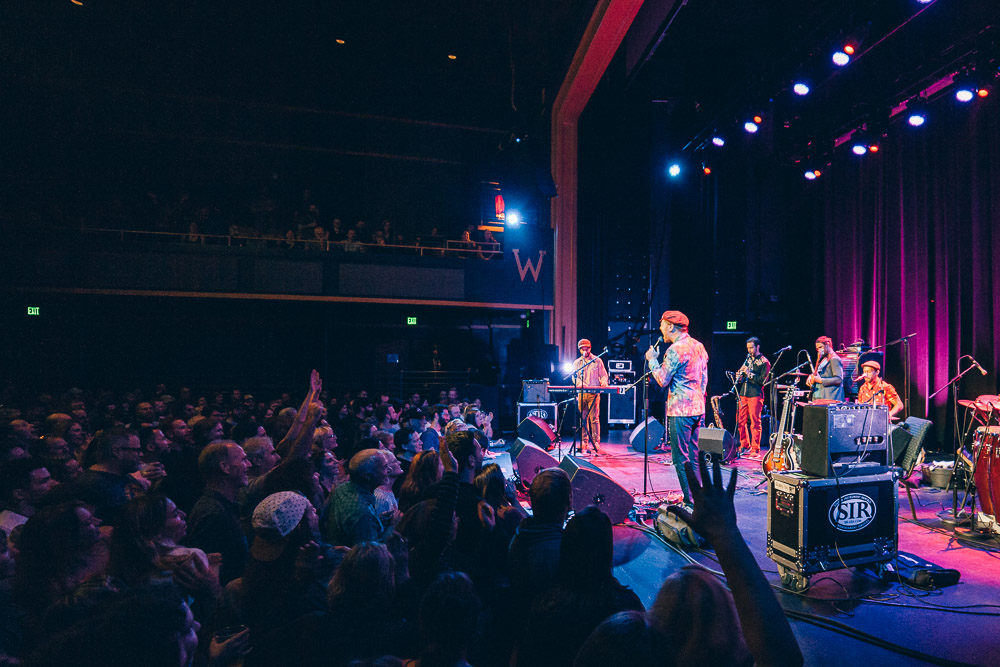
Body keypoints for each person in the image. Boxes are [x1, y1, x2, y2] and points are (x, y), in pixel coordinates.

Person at [645, 310, 708, 507]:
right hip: (698, 407)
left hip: (680, 411)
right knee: (695, 456)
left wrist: (652, 360)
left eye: (662, 324)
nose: (660, 328)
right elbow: (704, 379)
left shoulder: (674, 350)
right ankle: (699, 497)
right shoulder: (699, 346)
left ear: (671, 326)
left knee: (680, 458)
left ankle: (690, 502)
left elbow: (662, 380)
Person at [736, 336, 771, 459]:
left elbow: (763, 380)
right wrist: (739, 376)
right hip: (743, 393)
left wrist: (749, 374)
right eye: (748, 348)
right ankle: (744, 445)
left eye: (751, 348)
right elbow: (742, 374)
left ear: (758, 347)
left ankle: (755, 448)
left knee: (755, 422)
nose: (749, 350)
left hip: (755, 394)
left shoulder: (764, 362)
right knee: (740, 421)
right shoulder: (747, 359)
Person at [572, 339, 608, 455]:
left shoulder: (597, 361)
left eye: (587, 348)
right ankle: (584, 442)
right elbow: (574, 377)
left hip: (594, 393)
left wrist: (603, 383)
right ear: (579, 349)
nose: (585, 350)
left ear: (590, 348)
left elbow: (604, 375)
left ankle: (596, 442)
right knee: (583, 419)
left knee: (595, 418)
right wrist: (579, 383)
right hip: (582, 394)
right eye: (583, 348)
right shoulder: (577, 363)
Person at [806, 335, 845, 402]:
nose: (819, 350)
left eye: (821, 347)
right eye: (817, 349)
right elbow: (819, 374)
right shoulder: (824, 359)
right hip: (820, 397)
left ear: (828, 345)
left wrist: (821, 380)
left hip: (830, 398)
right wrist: (811, 376)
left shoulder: (834, 359)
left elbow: (839, 379)